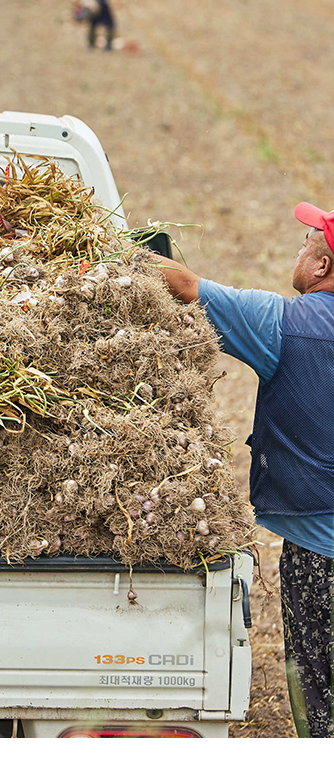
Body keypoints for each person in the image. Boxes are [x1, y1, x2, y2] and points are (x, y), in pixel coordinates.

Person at [153, 204, 334, 738]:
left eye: (307, 240)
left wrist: (100, 240)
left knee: (319, 699)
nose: (298, 250)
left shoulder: (285, 326)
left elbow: (183, 286)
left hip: (323, 553)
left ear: (322, 266)